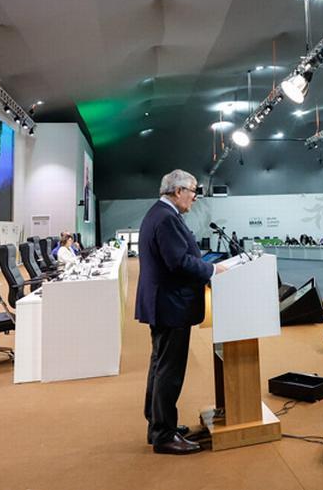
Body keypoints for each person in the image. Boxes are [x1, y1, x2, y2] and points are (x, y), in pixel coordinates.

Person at [135, 169, 228, 455]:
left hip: (164, 302)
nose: (195, 197)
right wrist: (212, 269)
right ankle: (164, 434)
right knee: (168, 370)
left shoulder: (160, 214)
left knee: (160, 366)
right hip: (170, 304)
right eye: (192, 191)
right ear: (177, 191)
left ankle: (159, 425)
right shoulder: (165, 218)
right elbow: (179, 262)